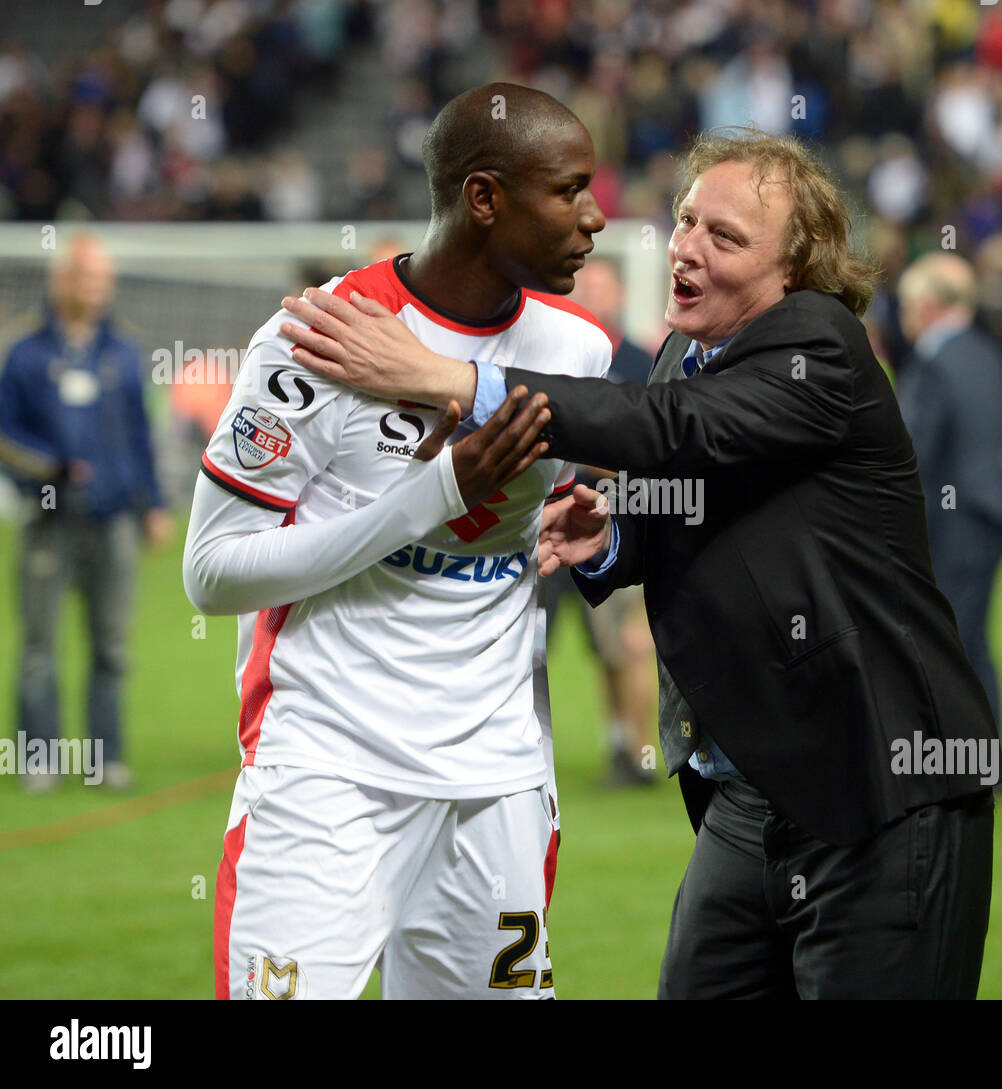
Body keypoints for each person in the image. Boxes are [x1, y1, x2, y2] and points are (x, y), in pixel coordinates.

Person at [281, 127, 1002, 999]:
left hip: (879, 791)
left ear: (795, 270)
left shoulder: (819, 343)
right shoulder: (686, 353)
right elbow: (703, 492)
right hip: (750, 796)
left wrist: (451, 378)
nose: (688, 248)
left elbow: (670, 431)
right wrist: (614, 533)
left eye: (726, 237)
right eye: (687, 219)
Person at [183, 83, 609, 1000]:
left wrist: (580, 516)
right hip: (326, 771)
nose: (596, 216)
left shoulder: (579, 350)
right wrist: (433, 495)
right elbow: (211, 575)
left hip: (497, 780)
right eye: (569, 190)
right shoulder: (317, 339)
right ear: (485, 198)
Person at [0, 233, 171, 793]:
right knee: (39, 647)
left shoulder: (122, 349)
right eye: (89, 278)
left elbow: (142, 435)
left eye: (104, 279)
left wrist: (156, 504)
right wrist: (49, 471)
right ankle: (37, 760)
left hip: (115, 518)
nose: (99, 289)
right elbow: (4, 434)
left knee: (112, 646)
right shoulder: (24, 351)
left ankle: (106, 758)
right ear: (62, 280)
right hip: (48, 520)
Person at [538, 257, 658, 787]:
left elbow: (652, 446)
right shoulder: (559, 350)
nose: (593, 293)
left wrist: (584, 451)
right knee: (555, 643)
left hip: (618, 522)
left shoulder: (639, 359)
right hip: (554, 518)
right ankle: (613, 746)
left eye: (603, 287)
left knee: (626, 646)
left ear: (621, 296)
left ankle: (639, 753)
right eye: (587, 284)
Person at [895, 253, 1002, 735]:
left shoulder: (935, 360)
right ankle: (984, 763)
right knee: (969, 641)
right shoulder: (988, 353)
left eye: (907, 304)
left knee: (949, 644)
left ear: (928, 304)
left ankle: (967, 764)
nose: (904, 315)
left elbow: (916, 451)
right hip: (987, 514)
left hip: (955, 522)